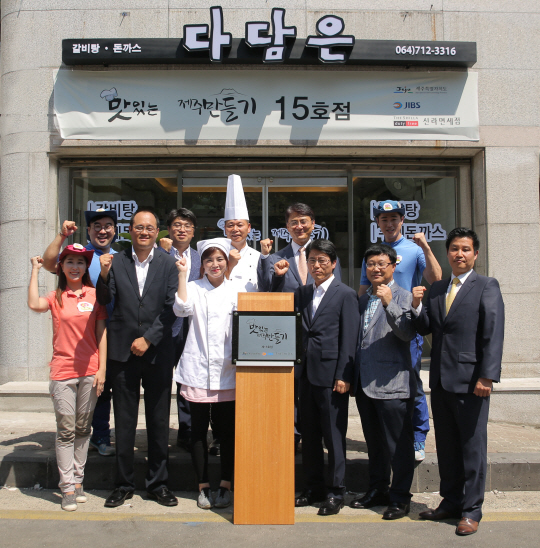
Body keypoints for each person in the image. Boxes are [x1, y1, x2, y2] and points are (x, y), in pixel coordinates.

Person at [411, 227, 505, 536]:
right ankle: (450, 502)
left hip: (471, 381)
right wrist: (416, 305)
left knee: (471, 447)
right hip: (440, 380)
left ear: (475, 254)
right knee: (448, 447)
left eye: (465, 249)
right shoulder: (438, 288)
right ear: (448, 252)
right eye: (454, 248)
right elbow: (425, 327)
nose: (459, 254)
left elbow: (492, 333)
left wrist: (487, 376)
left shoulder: (486, 286)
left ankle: (471, 510)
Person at [97, 207, 179, 508]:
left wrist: (149, 338)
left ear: (157, 232)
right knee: (125, 421)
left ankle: (158, 483)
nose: (144, 232)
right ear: (129, 230)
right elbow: (105, 302)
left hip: (157, 351)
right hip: (122, 351)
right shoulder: (116, 261)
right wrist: (103, 276)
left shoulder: (169, 264)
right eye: (139, 227)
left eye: (150, 228)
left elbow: (172, 308)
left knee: (158, 421)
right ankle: (123, 484)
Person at [358, 200, 442, 462]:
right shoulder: (373, 255)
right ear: (378, 223)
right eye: (384, 219)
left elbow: (436, 278)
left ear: (402, 220)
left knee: (412, 384)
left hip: (404, 320)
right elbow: (363, 290)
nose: (389, 223)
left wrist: (426, 247)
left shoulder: (413, 249)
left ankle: (418, 436)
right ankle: (390, 437)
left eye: (394, 218)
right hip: (376, 324)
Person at [27, 244, 107, 512]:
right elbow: (33, 304)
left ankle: (79, 479)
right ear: (61, 267)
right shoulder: (55, 296)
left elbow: (102, 334)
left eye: (80, 262)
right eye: (69, 262)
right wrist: (36, 271)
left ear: (86, 268)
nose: (75, 266)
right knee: (66, 430)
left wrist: (102, 370)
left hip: (90, 371)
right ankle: (67, 487)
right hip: (62, 372)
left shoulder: (95, 296)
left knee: (84, 429)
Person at [258, 203, 343, 451]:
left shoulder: (327, 255)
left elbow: (334, 295)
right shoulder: (276, 258)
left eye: (304, 221)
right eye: (294, 222)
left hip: (319, 339)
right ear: (286, 227)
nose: (299, 226)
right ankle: (293, 432)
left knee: (316, 387)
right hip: (287, 336)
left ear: (313, 224)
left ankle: (315, 432)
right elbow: (266, 294)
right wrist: (278, 276)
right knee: (290, 388)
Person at [285, 239, 359, 516]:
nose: (317, 266)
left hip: (332, 378)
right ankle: (313, 487)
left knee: (334, 436)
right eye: (313, 260)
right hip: (305, 376)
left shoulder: (345, 294)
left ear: (333, 264)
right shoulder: (302, 293)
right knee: (310, 436)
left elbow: (349, 338)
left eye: (322, 261)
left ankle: (336, 491)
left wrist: (344, 375)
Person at [42, 209, 118, 457]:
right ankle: (96, 437)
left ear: (115, 230)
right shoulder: (80, 255)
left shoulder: (122, 257)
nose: (103, 230)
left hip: (118, 331)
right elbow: (49, 262)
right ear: (89, 230)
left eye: (108, 225)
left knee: (108, 387)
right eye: (97, 226)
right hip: (87, 335)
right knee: (96, 390)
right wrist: (62, 235)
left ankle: (101, 435)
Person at [173, 238, 240, 510]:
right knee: (197, 432)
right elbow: (181, 309)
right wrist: (181, 274)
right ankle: (202, 486)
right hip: (197, 370)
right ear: (202, 264)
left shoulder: (238, 290)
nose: (215, 264)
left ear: (227, 263)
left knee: (227, 432)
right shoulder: (192, 287)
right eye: (209, 260)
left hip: (228, 372)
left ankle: (225, 485)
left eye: (220, 259)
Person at [351, 244, 416, 520]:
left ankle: (400, 498)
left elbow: (406, 333)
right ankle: (378, 489)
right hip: (365, 384)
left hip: (393, 384)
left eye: (381, 264)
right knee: (374, 444)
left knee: (398, 446)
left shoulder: (404, 296)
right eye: (370, 264)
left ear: (393, 266)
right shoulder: (363, 298)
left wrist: (390, 302)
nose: (375, 269)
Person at [159, 208, 201, 453]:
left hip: (191, 329)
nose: (181, 229)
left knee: (187, 382)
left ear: (193, 231)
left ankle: (187, 432)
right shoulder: (158, 254)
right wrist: (162, 253)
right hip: (164, 328)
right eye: (177, 225)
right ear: (169, 229)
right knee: (162, 383)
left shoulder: (201, 257)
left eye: (186, 225)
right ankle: (160, 430)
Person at [223, 174, 263, 292]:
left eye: (240, 225)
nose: (235, 229)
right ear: (225, 229)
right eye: (230, 225)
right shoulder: (217, 255)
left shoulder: (258, 257)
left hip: (251, 308)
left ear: (249, 227)